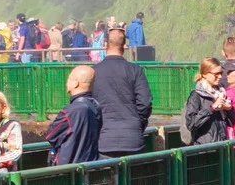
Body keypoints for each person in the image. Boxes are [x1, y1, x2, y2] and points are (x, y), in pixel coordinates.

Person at [91, 27, 154, 156]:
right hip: (133, 139)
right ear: (124, 46)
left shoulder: (93, 72)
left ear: (105, 44)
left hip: (104, 141)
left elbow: (89, 106)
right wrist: (137, 124)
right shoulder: (135, 70)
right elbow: (145, 103)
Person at [46, 64, 104, 165]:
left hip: (70, 169)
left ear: (76, 83)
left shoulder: (71, 110)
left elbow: (51, 135)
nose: (66, 82)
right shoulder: (95, 106)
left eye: (69, 79)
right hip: (89, 166)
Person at [183, 59, 230, 145]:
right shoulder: (196, 95)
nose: (220, 76)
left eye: (221, 73)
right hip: (204, 148)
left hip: (222, 145)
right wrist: (211, 109)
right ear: (204, 74)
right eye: (216, 74)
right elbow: (191, 124)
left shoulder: (221, 93)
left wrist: (228, 109)